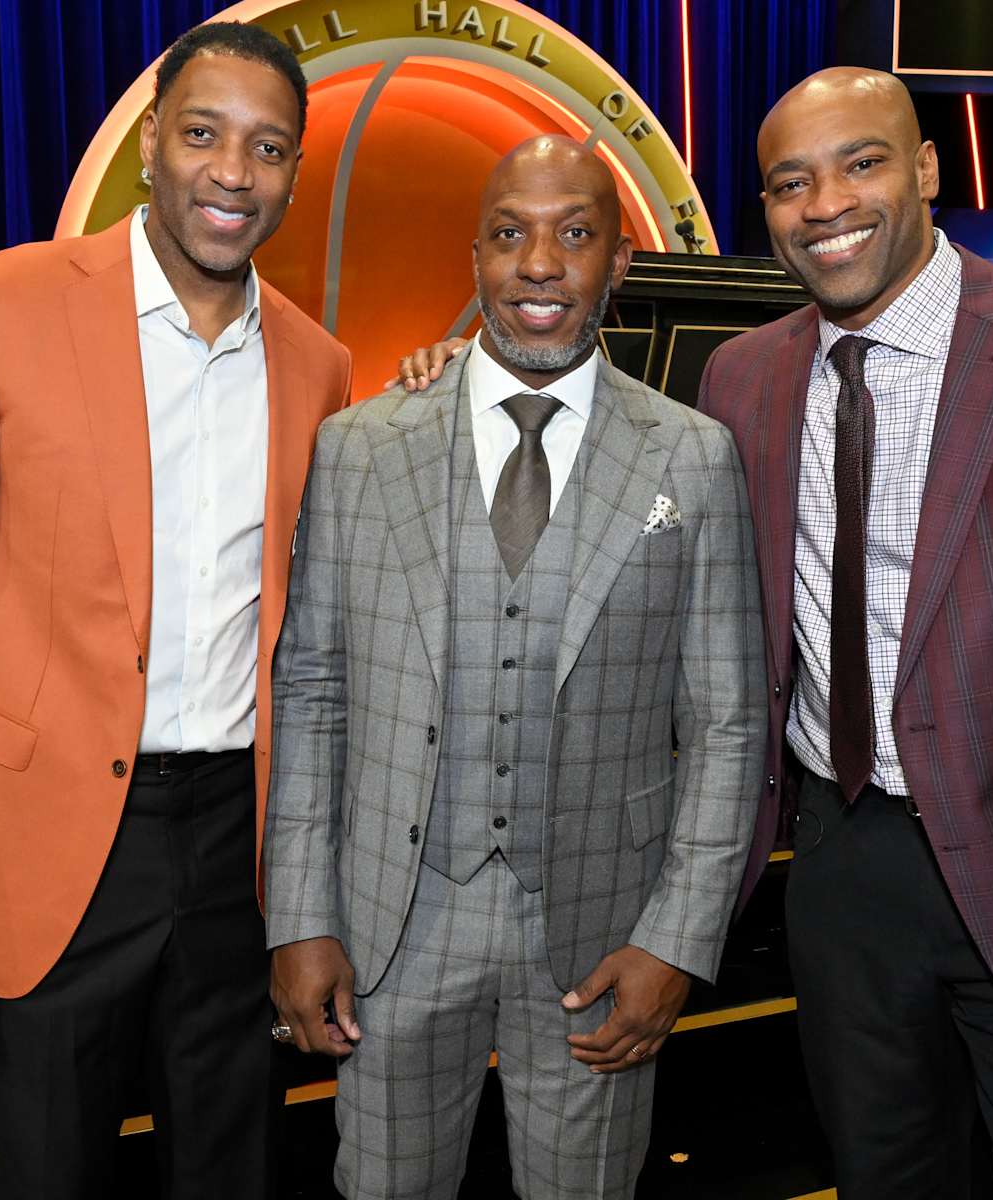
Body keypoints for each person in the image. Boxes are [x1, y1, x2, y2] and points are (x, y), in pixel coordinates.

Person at [398, 66, 993, 1200]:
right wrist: (451, 388)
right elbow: (624, 511)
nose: (825, 205)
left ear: (926, 169)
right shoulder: (744, 380)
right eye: (789, 183)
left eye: (860, 163)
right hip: (842, 873)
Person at [0, 23, 350, 1198]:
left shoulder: (319, 367)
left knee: (230, 1173)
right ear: (147, 148)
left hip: (241, 852)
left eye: (269, 147)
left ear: (293, 172)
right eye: (204, 134)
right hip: (45, 847)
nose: (234, 171)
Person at [265, 135, 766, 1200]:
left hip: (602, 937)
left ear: (619, 264)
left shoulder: (692, 456)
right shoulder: (358, 447)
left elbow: (725, 722)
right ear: (477, 257)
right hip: (394, 927)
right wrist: (301, 916)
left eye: (575, 234)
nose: (540, 262)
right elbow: (313, 690)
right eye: (510, 234)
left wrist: (676, 940)